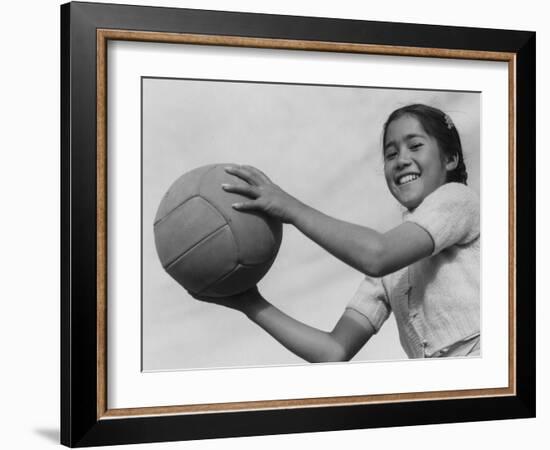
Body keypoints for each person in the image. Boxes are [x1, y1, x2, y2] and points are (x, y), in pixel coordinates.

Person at [193, 103, 480, 361]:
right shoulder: (391, 273)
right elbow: (333, 350)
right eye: (391, 153)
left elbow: (378, 255)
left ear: (450, 159)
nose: (401, 159)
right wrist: (250, 303)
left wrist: (289, 207)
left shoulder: (457, 199)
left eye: (415, 146)